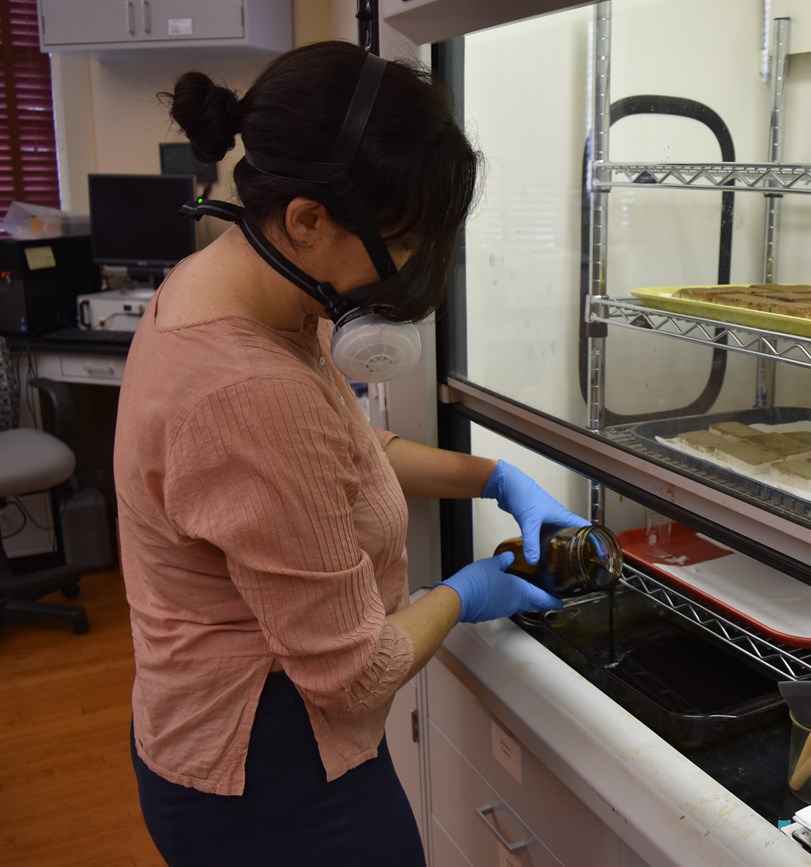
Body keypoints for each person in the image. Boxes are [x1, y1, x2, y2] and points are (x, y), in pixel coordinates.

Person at [113, 41, 584, 866]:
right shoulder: (249, 390)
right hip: (266, 771)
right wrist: (470, 591)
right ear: (307, 219)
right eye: (401, 243)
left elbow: (331, 455)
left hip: (209, 729)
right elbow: (357, 675)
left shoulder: (225, 292)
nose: (409, 269)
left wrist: (494, 478)